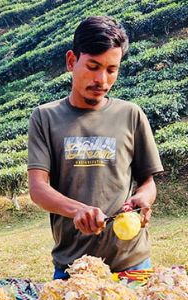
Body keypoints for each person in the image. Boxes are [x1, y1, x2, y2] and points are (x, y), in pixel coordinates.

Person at [26, 16, 164, 280]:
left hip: (133, 264)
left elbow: (147, 180)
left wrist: (144, 198)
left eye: (112, 69)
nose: (102, 79)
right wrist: (77, 210)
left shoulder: (131, 115)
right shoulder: (45, 118)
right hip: (75, 269)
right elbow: (38, 189)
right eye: (93, 66)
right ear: (71, 61)